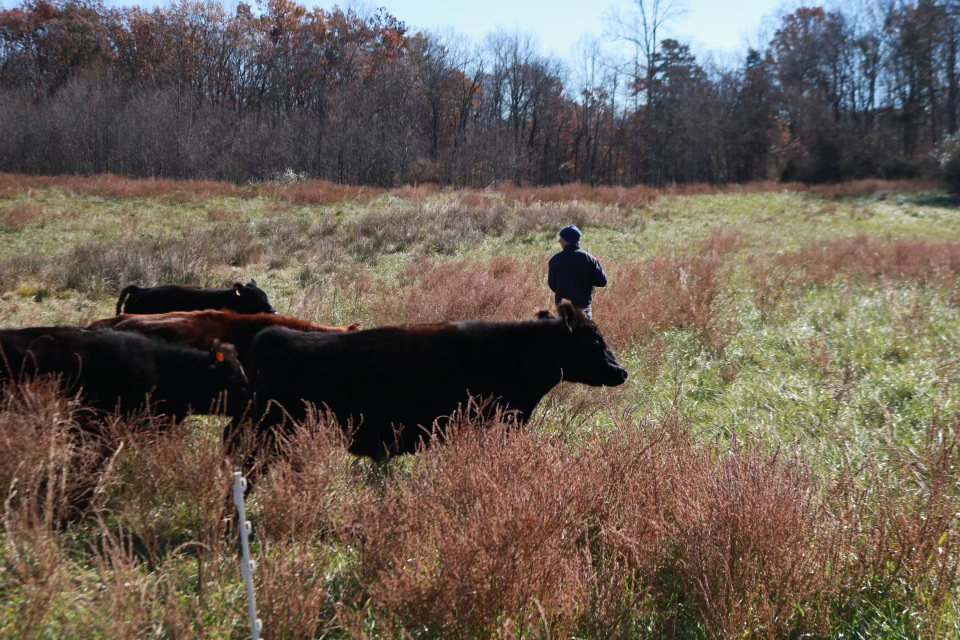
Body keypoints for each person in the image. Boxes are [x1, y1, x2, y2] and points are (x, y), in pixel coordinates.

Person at [547, 225, 608, 319]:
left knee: (566, 333)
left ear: (567, 240)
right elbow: (602, 282)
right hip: (584, 310)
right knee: (584, 333)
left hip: (564, 310)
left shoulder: (555, 260)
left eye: (561, 239)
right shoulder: (590, 259)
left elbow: (552, 285)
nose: (560, 241)